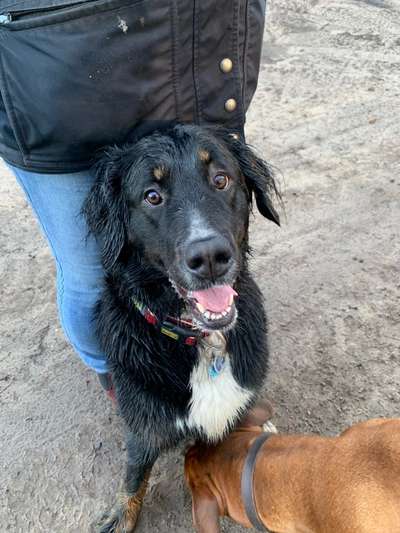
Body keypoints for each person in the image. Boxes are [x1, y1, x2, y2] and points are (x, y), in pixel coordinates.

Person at [0, 0, 267, 395]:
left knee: (216, 247)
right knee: (93, 276)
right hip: (55, 75)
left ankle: (223, 383)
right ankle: (120, 379)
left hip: (192, 51)